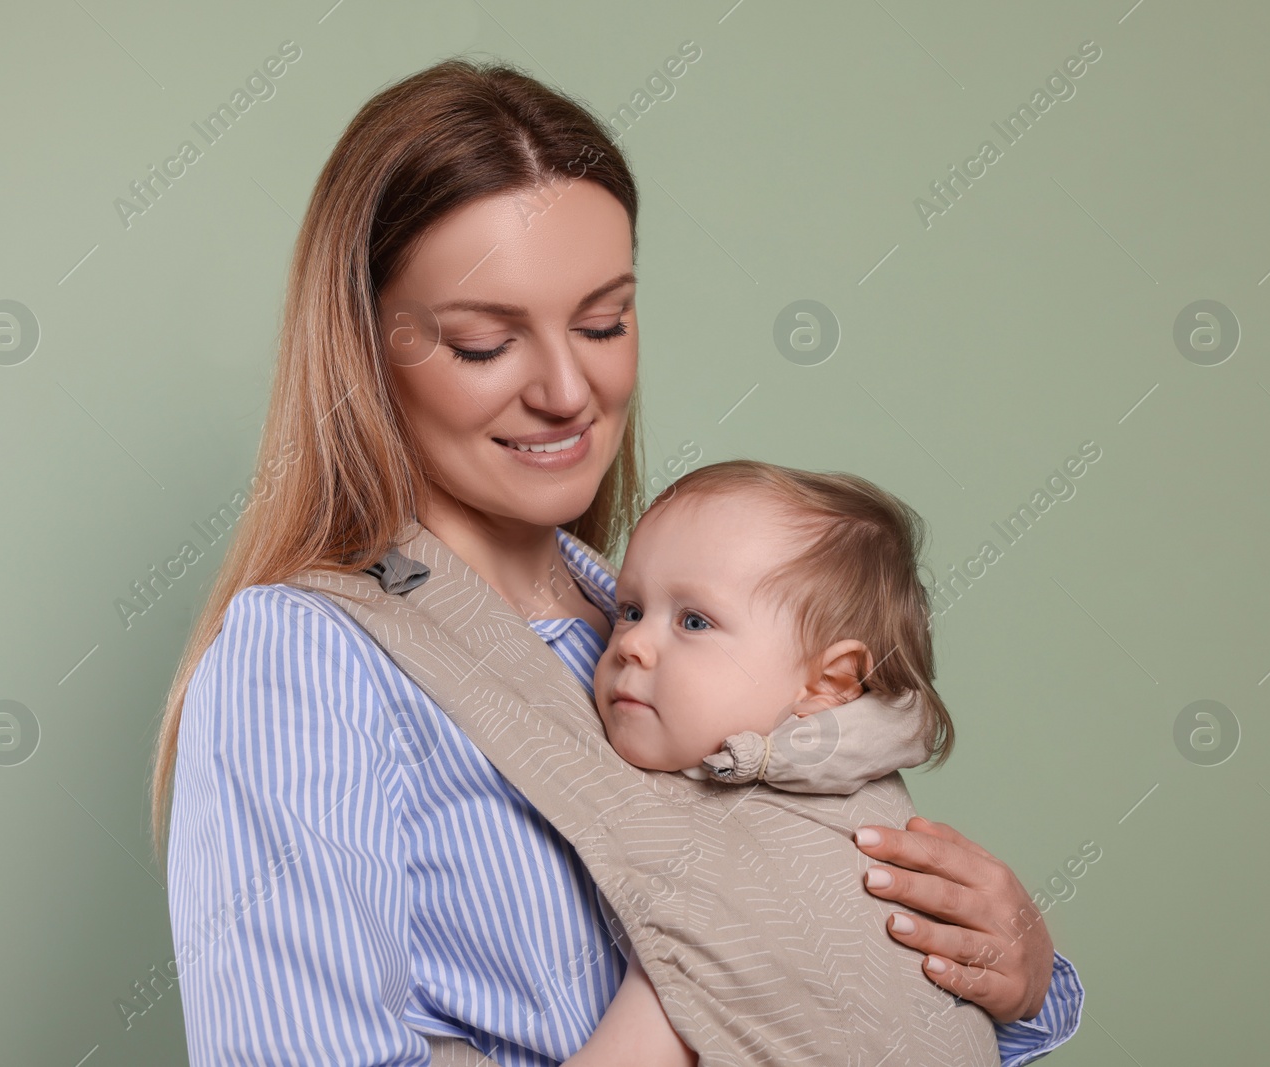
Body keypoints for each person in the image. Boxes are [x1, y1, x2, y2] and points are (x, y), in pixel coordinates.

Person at [149, 57, 1084, 1065]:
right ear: (365, 346)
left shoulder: (668, 623)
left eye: (603, 321)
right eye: (481, 343)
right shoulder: (311, 656)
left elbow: (811, 988)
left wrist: (1016, 978)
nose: (566, 388)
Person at [562, 459, 1002, 1066]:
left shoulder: (761, 854)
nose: (631, 642)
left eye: (694, 621)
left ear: (827, 682)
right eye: (631, 609)